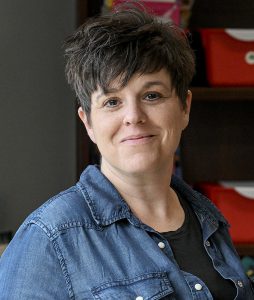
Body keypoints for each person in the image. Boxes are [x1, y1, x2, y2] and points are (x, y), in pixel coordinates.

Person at [0, 3, 253, 300]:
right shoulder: (50, 237)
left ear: (184, 107)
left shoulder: (208, 220)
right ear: (88, 122)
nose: (134, 116)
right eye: (112, 101)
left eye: (152, 95)